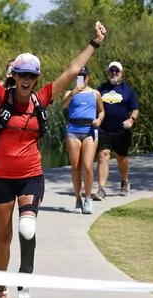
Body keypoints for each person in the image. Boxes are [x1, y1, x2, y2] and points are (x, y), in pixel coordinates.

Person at [0, 20, 107, 298]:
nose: (26, 80)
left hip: (31, 176)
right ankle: (1, 291)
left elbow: (72, 70)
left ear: (36, 79)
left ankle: (25, 282)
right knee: (4, 237)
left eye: (32, 75)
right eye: (21, 74)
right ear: (14, 76)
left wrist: (94, 43)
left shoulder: (41, 98)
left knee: (27, 228)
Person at [61, 66, 104, 214]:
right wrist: (73, 93)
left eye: (84, 76)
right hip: (73, 130)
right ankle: (78, 199)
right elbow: (63, 106)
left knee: (87, 165)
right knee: (75, 166)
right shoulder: (70, 93)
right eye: (79, 76)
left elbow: (102, 111)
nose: (82, 78)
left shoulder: (95, 93)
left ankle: (88, 199)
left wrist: (99, 119)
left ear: (88, 78)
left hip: (89, 131)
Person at [93, 61, 139, 200]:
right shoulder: (101, 88)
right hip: (104, 129)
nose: (114, 73)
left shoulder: (127, 90)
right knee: (103, 156)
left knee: (121, 158)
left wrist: (131, 120)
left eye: (116, 71)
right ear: (108, 72)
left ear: (121, 73)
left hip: (121, 131)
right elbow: (93, 104)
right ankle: (101, 189)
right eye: (111, 70)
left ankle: (124, 182)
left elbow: (135, 109)